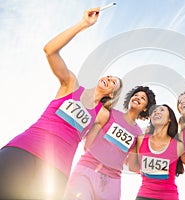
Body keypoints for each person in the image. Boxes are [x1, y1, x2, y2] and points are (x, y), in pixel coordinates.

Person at [0, 7, 122, 200]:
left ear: (113, 93)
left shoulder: (103, 114)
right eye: (108, 75)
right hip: (25, 147)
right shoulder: (71, 85)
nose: (108, 78)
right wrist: (83, 24)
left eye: (114, 82)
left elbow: (96, 145)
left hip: (56, 170)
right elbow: (50, 51)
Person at [63, 86, 156, 200]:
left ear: (145, 108)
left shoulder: (138, 134)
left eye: (142, 98)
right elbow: (89, 140)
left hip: (112, 182)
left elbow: (132, 165)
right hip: (87, 170)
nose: (137, 98)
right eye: (136, 95)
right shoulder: (110, 113)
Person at [129, 104, 185, 200]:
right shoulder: (141, 140)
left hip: (169, 197)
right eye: (154, 111)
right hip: (144, 195)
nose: (156, 112)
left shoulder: (178, 145)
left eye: (162, 110)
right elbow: (133, 167)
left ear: (169, 118)